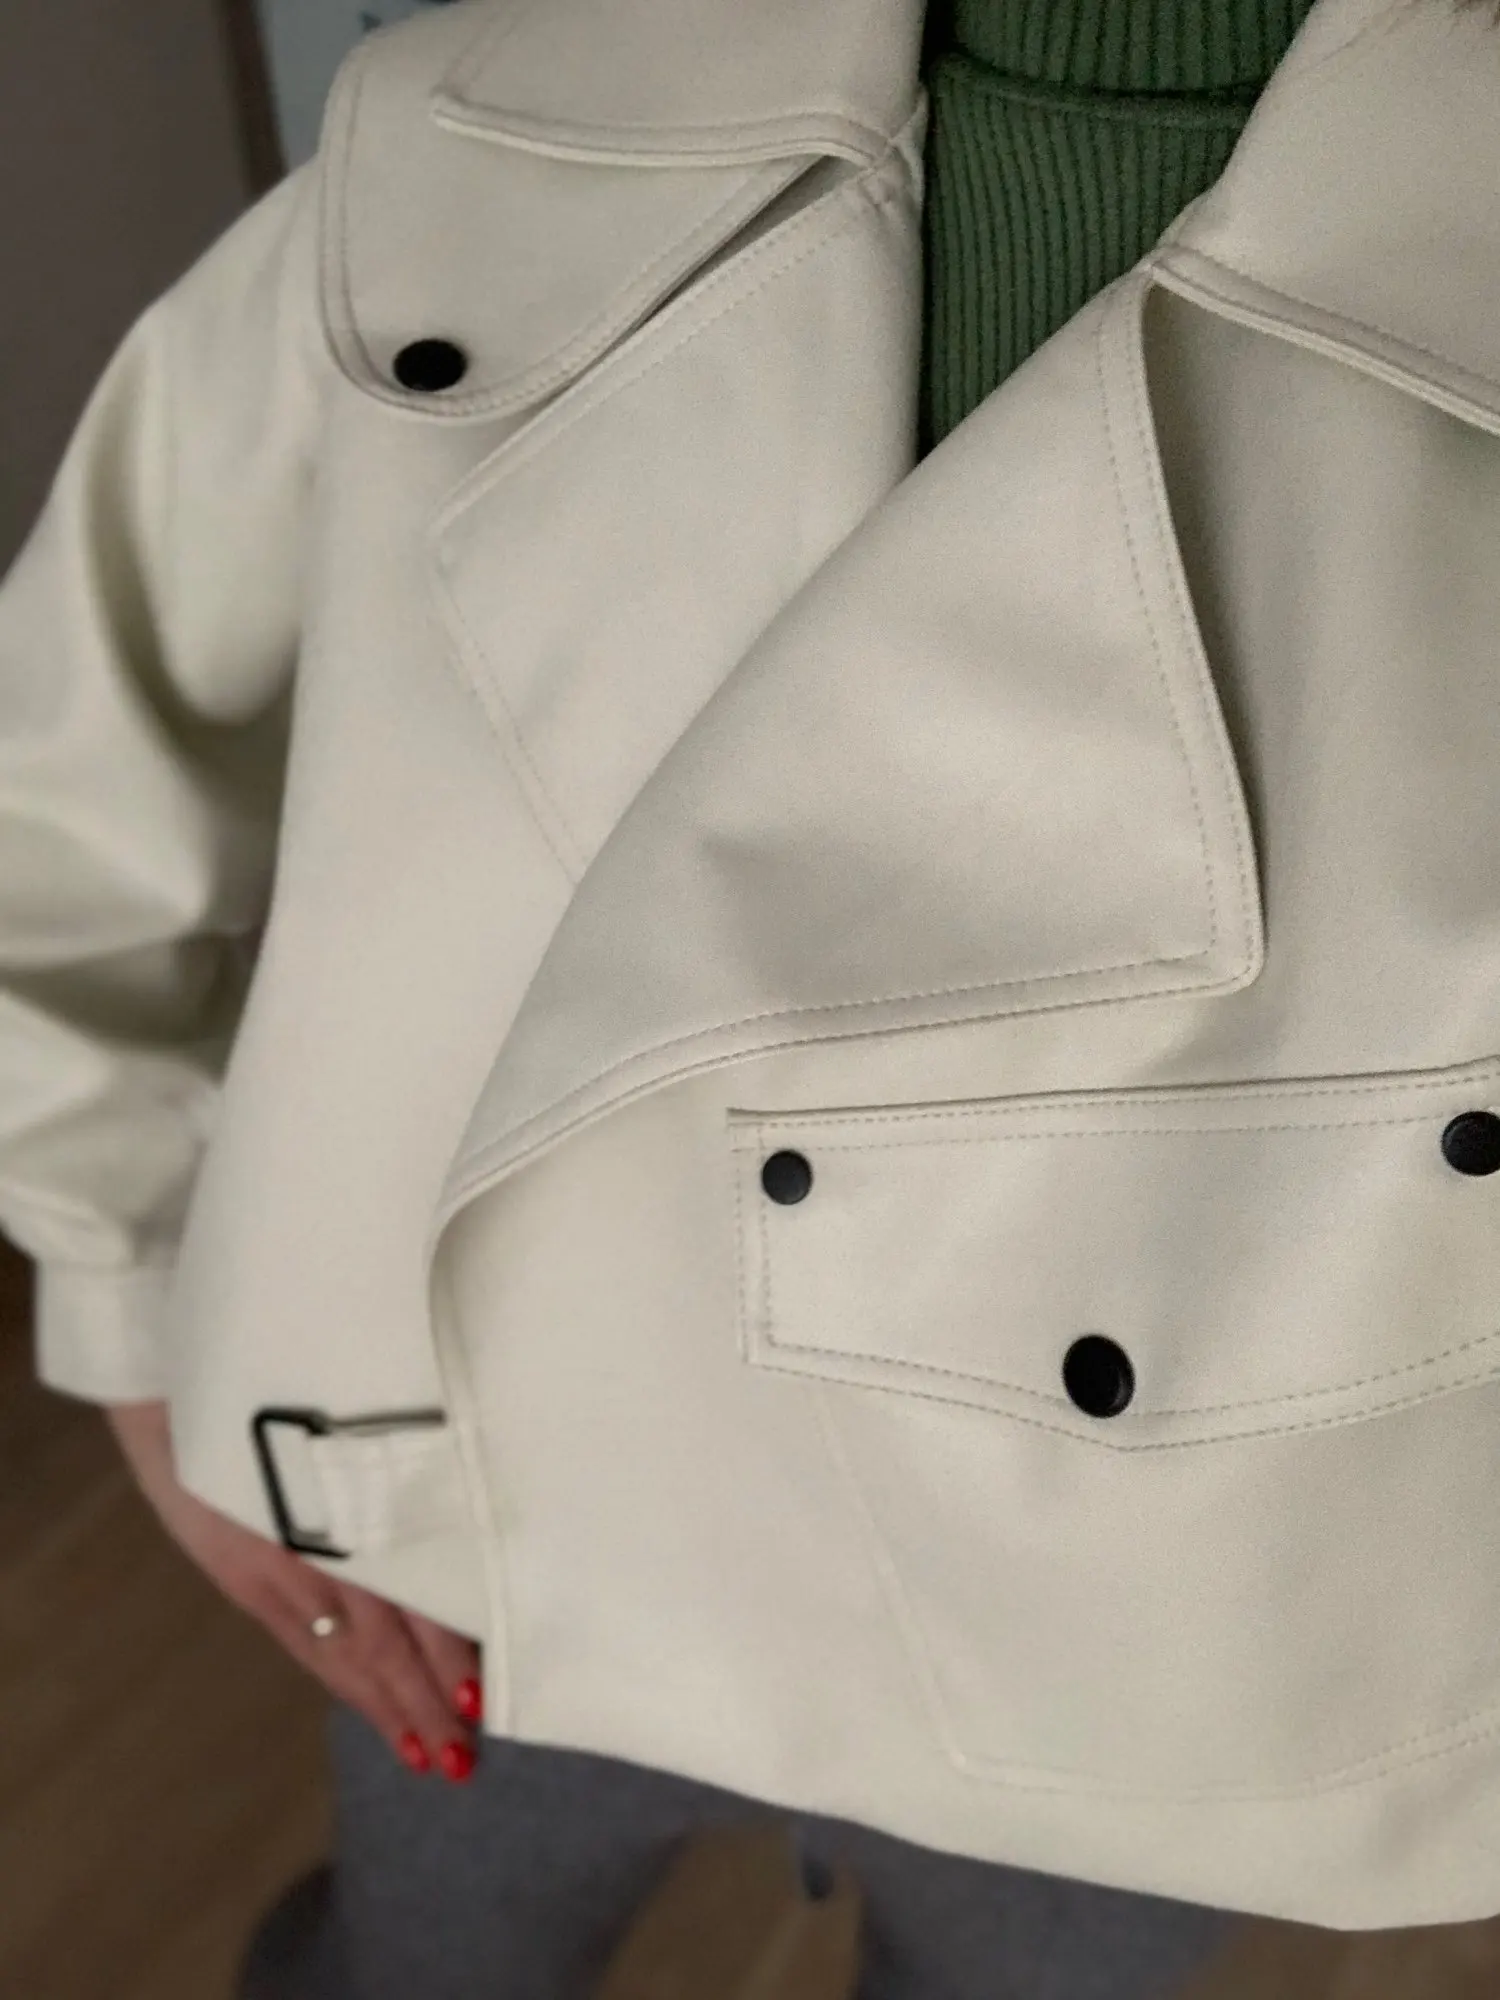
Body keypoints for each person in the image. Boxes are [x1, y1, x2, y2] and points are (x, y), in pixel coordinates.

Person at [6, 0, 1500, 1992]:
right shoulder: (465, 143)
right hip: (472, 1520)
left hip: (1171, 1632)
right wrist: (130, 1311)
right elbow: (66, 774)